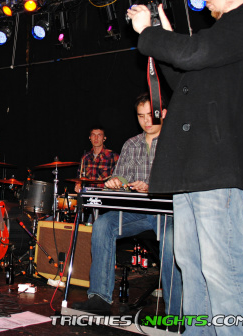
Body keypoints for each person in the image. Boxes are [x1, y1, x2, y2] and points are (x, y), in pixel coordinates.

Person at [127, 0, 243, 335]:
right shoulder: (224, 39)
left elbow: (193, 53)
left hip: (222, 168)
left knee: (222, 267)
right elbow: (184, 75)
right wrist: (163, 36)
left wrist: (148, 34)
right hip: (194, 168)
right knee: (192, 264)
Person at [72, 93, 182, 317]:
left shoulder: (177, 141)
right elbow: (122, 176)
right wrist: (116, 182)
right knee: (102, 225)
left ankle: (175, 312)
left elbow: (183, 180)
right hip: (136, 212)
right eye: (141, 116)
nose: (146, 121)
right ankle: (99, 298)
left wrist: (152, 187)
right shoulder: (131, 144)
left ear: (163, 113)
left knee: (171, 239)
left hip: (169, 214)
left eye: (150, 115)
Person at [74, 126, 119, 193]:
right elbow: (79, 177)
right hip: (88, 194)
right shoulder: (85, 157)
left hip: (105, 194)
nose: (96, 138)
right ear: (90, 138)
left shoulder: (113, 156)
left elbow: (120, 177)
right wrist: (78, 184)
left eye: (99, 135)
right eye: (93, 135)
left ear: (104, 138)